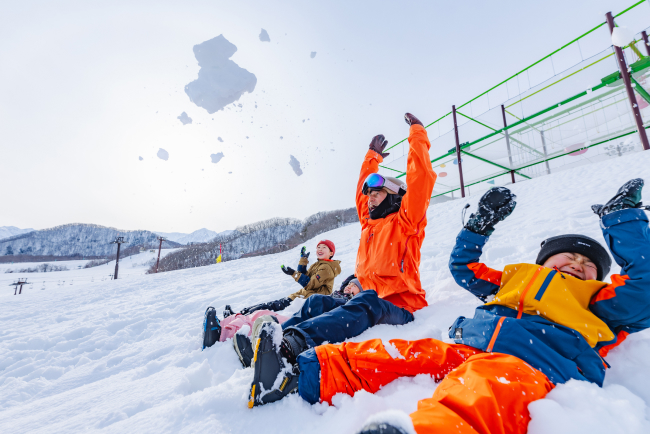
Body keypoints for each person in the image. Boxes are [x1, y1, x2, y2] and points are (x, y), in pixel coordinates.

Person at [257, 179, 650, 434]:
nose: (578, 265)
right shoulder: (516, 280)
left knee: (484, 390)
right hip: (473, 346)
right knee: (401, 354)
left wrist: (622, 221)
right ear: (542, 262)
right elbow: (463, 269)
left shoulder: (600, 300)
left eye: (589, 265)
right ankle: (301, 374)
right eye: (568, 258)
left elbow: (645, 285)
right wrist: (479, 225)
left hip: (532, 364)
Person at [247, 112, 437, 407]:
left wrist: (417, 135)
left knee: (366, 302)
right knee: (316, 302)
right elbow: (361, 187)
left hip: (400, 305)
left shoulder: (406, 222)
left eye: (376, 194)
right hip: (365, 297)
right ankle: (269, 347)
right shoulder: (370, 225)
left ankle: (291, 344)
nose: (370, 199)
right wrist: (372, 156)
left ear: (394, 196)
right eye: (369, 195)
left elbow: (421, 178)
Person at [201, 240, 341, 351]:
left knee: (264, 311)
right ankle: (234, 317)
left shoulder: (327, 268)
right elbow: (304, 275)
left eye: (324, 248)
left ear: (331, 253)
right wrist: (303, 260)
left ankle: (227, 328)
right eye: (319, 247)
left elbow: (309, 284)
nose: (320, 249)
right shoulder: (319, 264)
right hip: (298, 297)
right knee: (264, 307)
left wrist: (293, 273)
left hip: (303, 301)